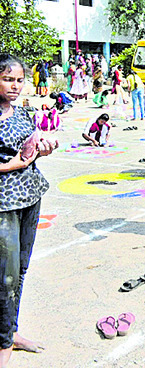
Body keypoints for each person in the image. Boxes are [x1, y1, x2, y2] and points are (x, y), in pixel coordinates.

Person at [0, 54, 58, 366]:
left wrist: (45, 147)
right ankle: (4, 341)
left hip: (30, 195)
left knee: (20, 269)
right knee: (4, 276)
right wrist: (15, 164)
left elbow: (30, 150)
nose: (15, 86)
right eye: (8, 79)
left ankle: (11, 331)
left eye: (19, 80)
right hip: (3, 202)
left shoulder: (23, 114)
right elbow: (15, 160)